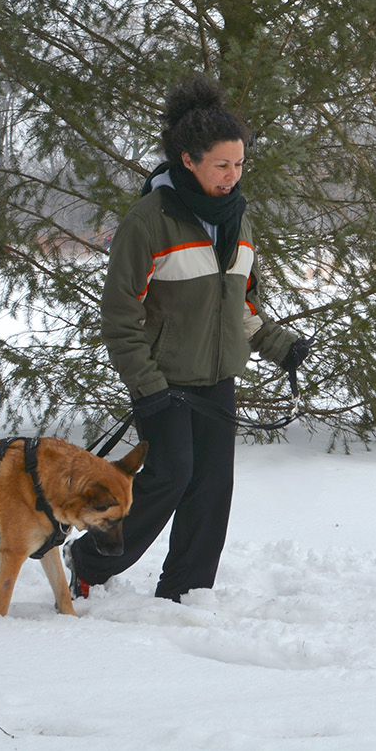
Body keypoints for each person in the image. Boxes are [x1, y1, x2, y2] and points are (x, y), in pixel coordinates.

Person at [66, 76, 307, 603]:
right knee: (169, 477)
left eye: (240, 164)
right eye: (222, 164)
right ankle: (87, 562)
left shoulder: (237, 218)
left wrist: (277, 343)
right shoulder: (149, 222)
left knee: (212, 489)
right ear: (188, 160)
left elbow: (240, 305)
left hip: (216, 378)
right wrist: (147, 385)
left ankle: (185, 591)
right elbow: (120, 317)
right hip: (164, 381)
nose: (233, 175)